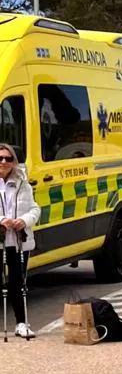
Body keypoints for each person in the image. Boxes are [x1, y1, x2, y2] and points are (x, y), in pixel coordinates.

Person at [0, 144, 40, 339]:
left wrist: (23, 221)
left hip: (18, 240)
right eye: (0, 158)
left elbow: (35, 209)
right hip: (1, 237)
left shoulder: (23, 184)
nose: (4, 162)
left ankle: (21, 323)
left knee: (18, 283)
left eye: (8, 158)